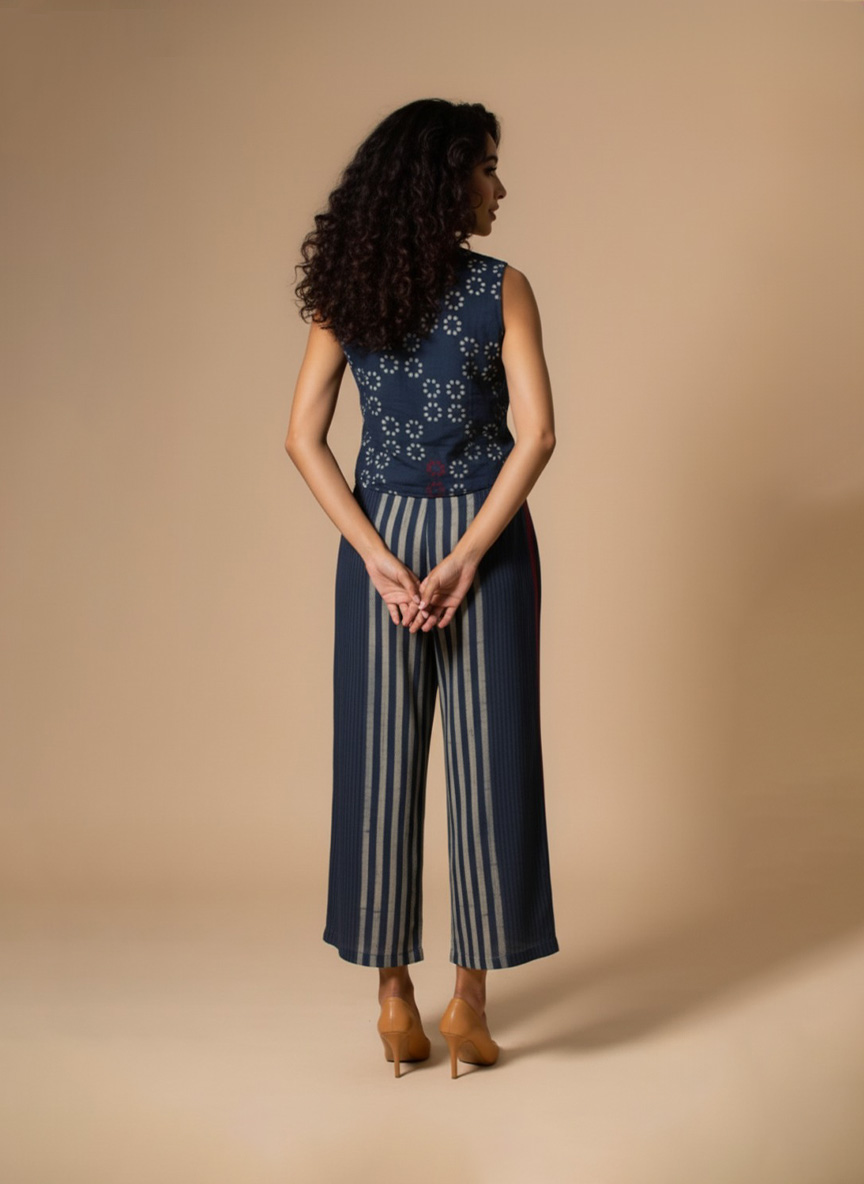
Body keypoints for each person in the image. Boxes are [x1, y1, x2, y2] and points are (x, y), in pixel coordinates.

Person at [285, 98, 559, 1078]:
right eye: (486, 167)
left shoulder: (347, 294)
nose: (498, 186)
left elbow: (302, 438)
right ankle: (468, 1005)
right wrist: (472, 553)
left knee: (376, 765)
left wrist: (372, 552)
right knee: (493, 766)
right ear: (446, 181)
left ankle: (393, 1000)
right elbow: (538, 435)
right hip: (486, 537)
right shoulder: (502, 287)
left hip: (386, 540)